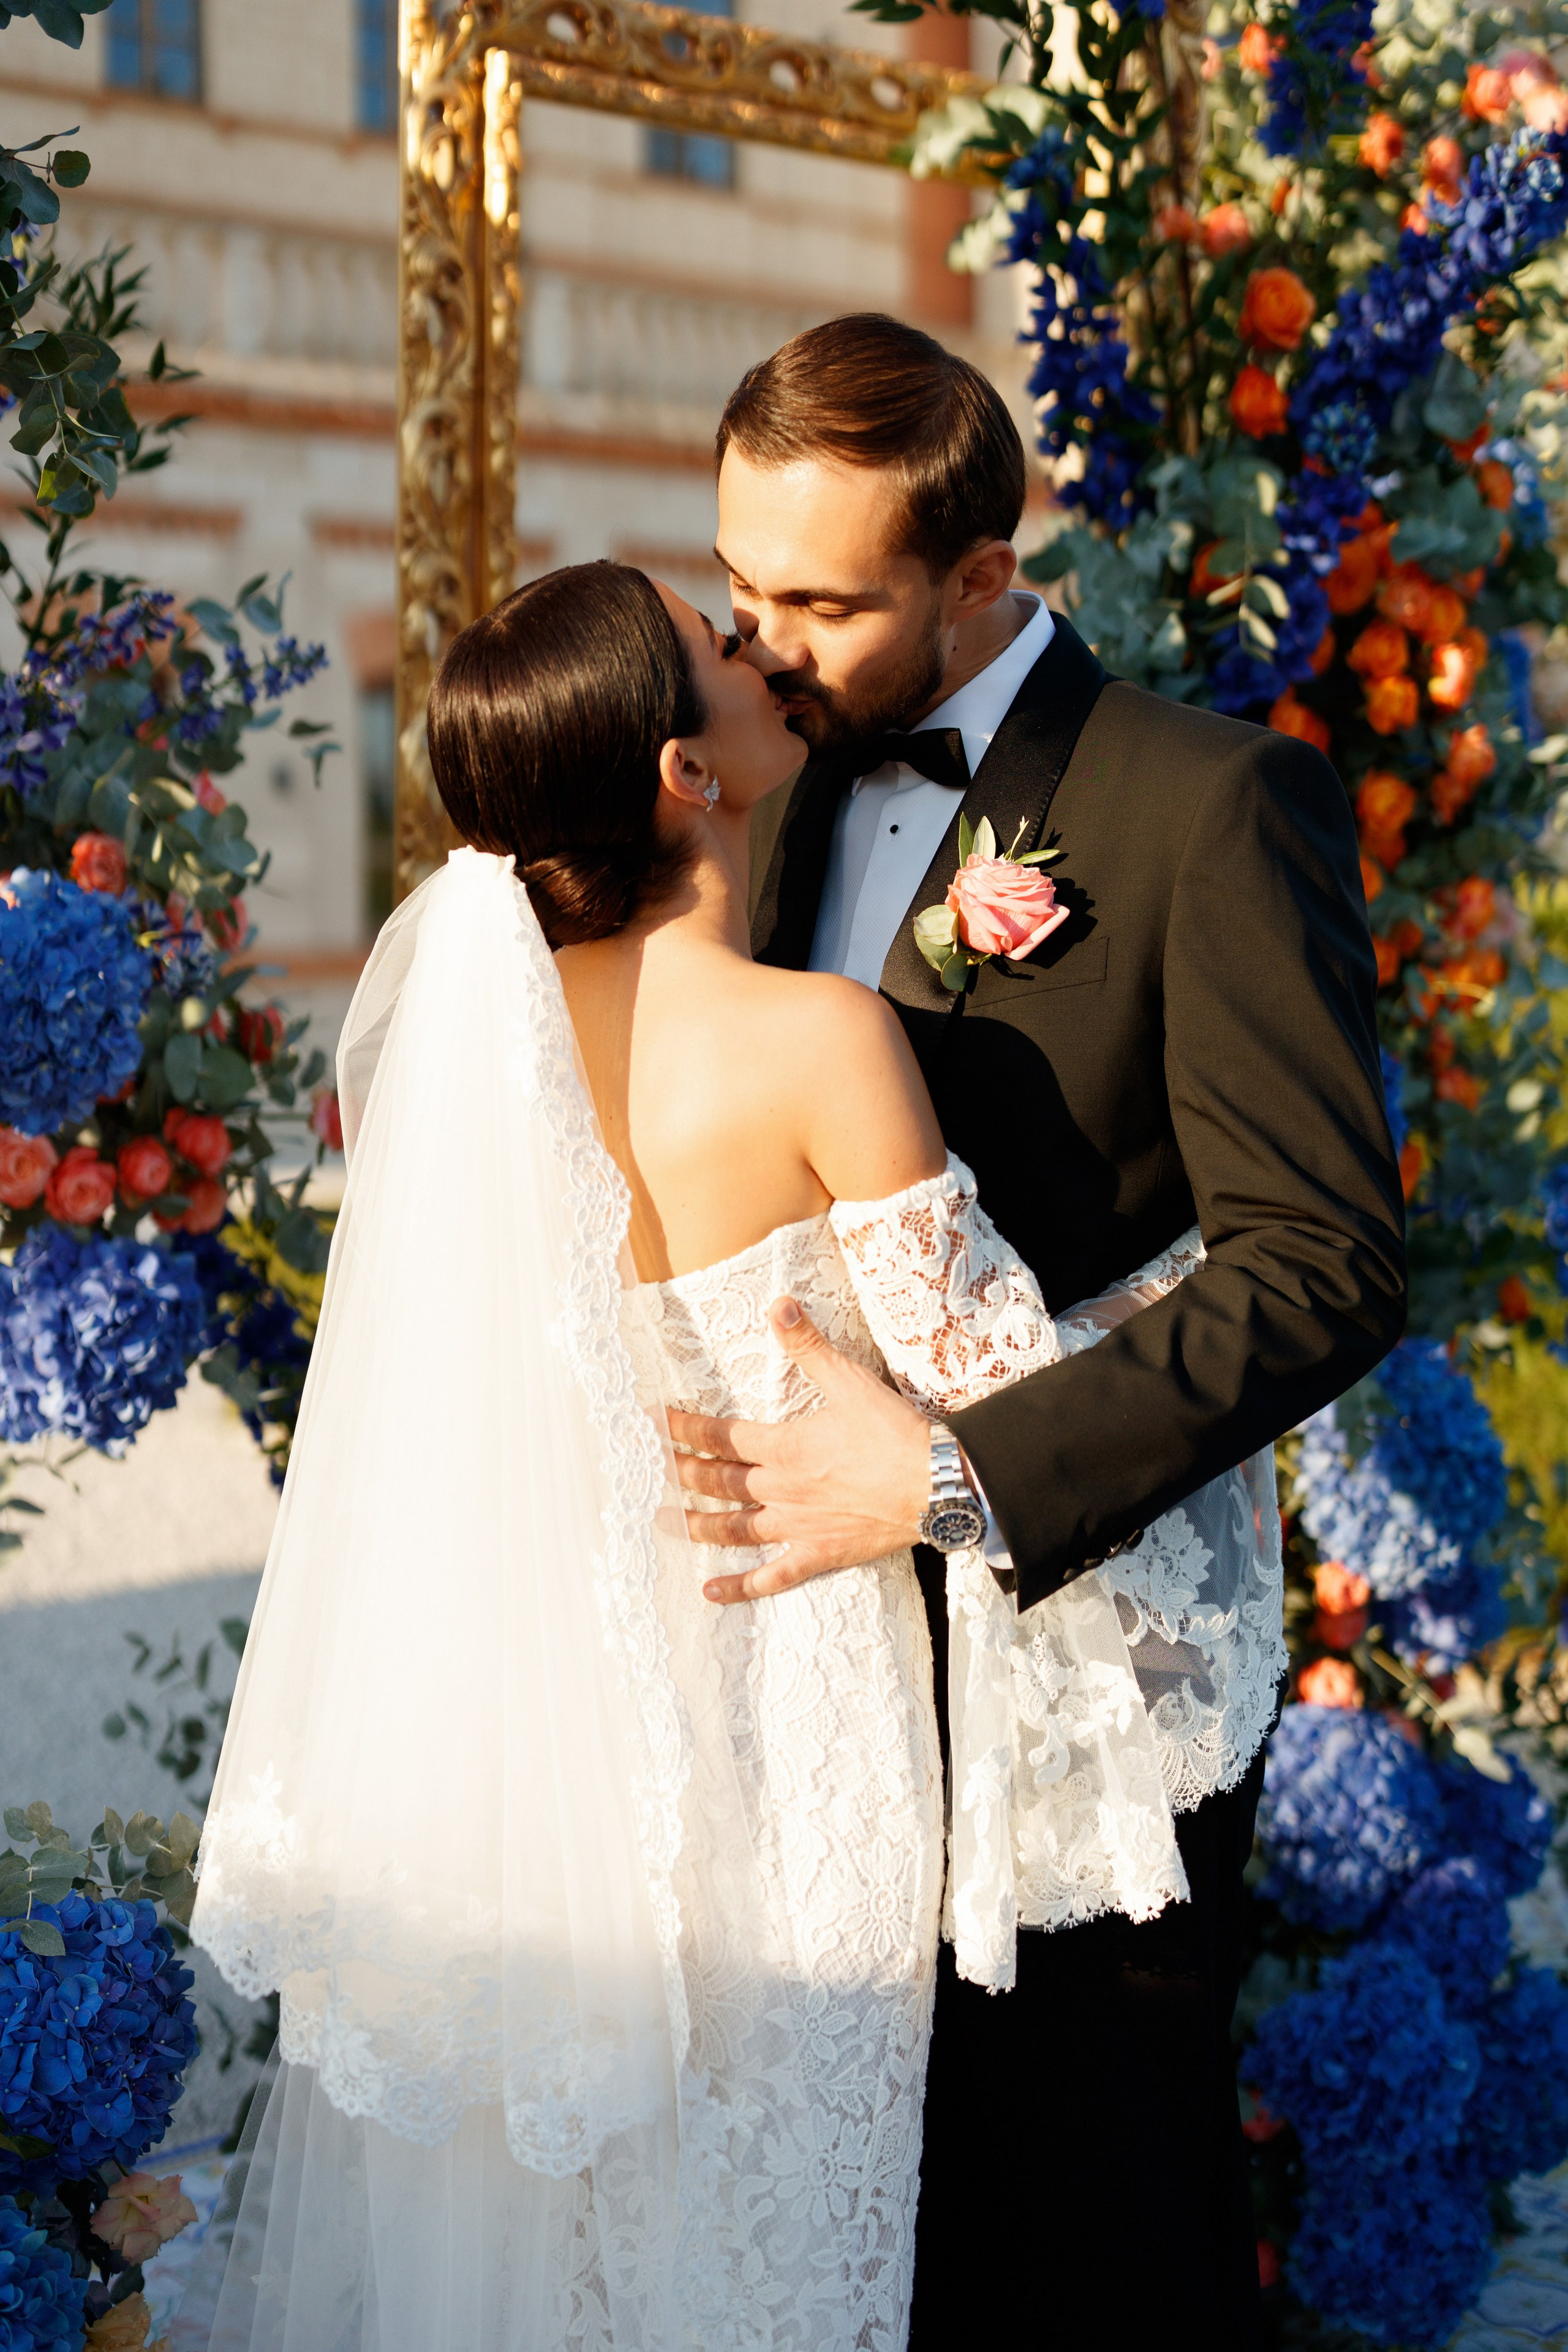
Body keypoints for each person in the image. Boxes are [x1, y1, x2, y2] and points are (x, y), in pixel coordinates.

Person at [183, 559, 1232, 2351]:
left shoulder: (480, 1074)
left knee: (596, 2254)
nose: (755, 656)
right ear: (685, 772)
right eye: (715, 647)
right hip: (794, 1691)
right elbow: (991, 1374)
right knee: (776, 2256)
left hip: (556, 1716)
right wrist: (1188, 1292)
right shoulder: (819, 1040)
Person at [665, 312, 1408, 2348]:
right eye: (740, 587)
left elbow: (1325, 1259)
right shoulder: (774, 794)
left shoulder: (1211, 804)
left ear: (983, 572)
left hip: (1088, 1690)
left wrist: (953, 1477)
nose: (760, 648)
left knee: (1105, 2229)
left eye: (820, 600)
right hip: (831, 1692)